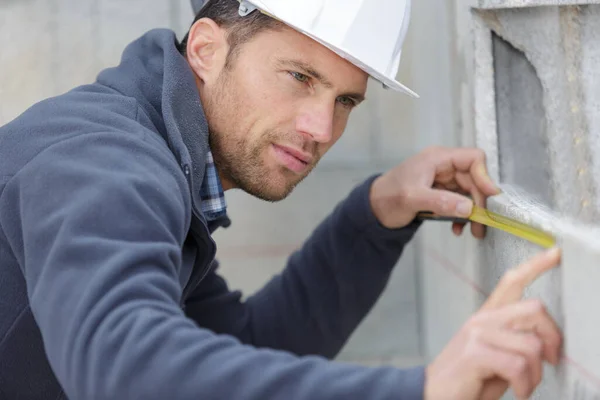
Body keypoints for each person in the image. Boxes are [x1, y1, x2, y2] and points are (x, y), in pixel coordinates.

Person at [0, 0, 562, 399]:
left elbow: (246, 343)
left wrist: (374, 216)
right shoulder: (105, 163)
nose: (321, 126)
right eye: (298, 76)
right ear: (206, 49)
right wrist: (423, 390)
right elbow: (122, 367)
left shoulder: (170, 168)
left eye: (346, 101)